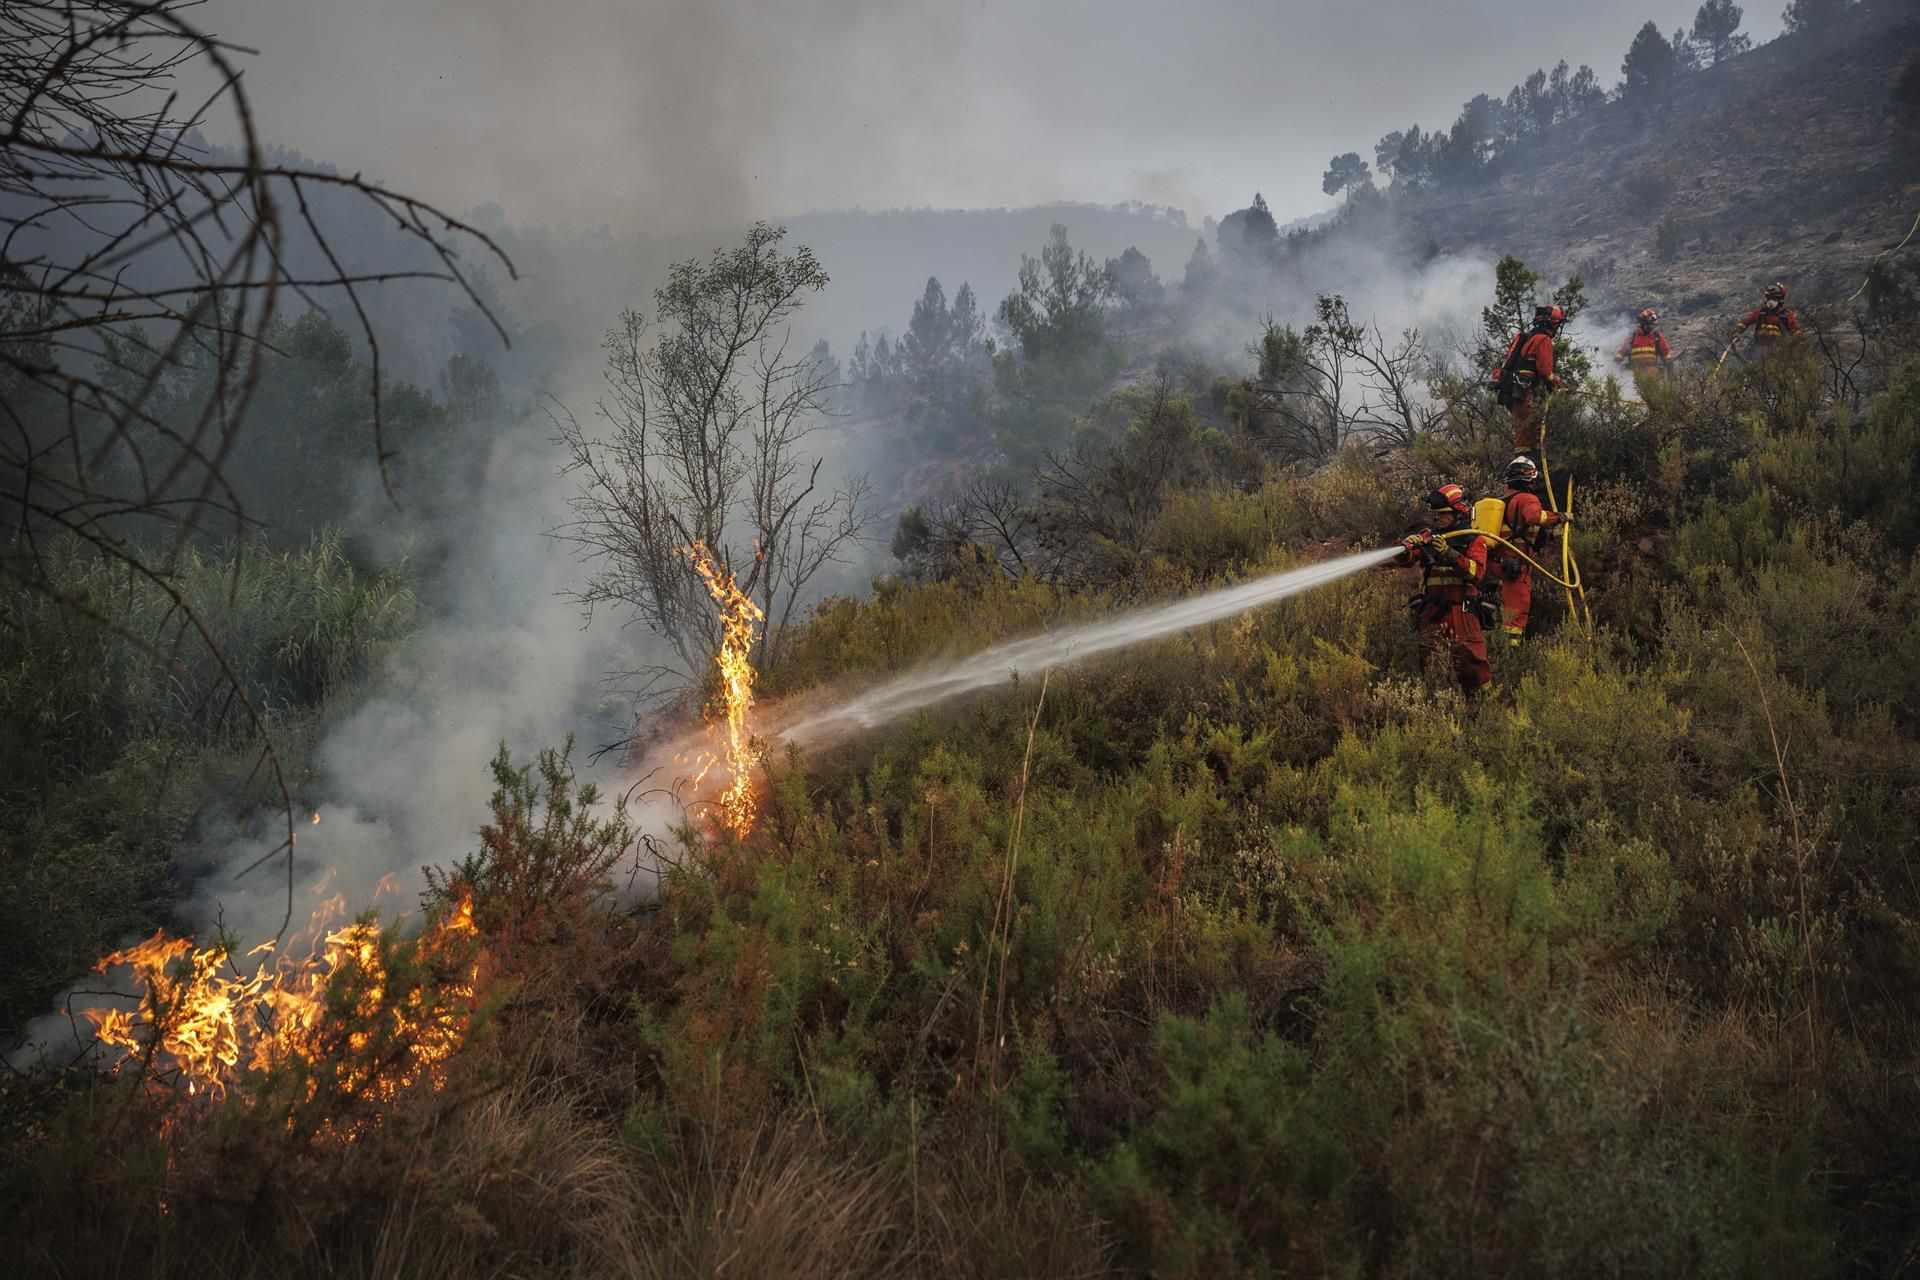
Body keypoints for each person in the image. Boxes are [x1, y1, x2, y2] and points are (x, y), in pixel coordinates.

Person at [1392, 483, 1493, 695]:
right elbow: (1408, 560)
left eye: (1443, 514)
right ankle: (1437, 705)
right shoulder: (1429, 536)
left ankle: (1483, 708)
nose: (1437, 518)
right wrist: (1405, 548)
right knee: (1429, 660)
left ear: (1458, 512)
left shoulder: (1473, 539)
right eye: (1435, 514)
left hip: (1462, 611)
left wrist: (1451, 554)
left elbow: (1477, 573)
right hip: (1433, 611)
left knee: (1471, 662)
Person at [1489, 455, 1568, 648]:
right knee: (1516, 611)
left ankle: (1498, 645)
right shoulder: (1527, 498)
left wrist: (1550, 536)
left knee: (1502, 608)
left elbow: (1519, 531)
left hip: (1497, 564)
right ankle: (1511, 652)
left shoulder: (1502, 502)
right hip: (1516, 565)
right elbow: (1535, 517)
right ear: (1530, 479)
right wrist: (1560, 517)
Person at [1492, 305, 1563, 455]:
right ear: (1552, 323)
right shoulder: (1543, 339)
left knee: (1530, 429)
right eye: (1557, 323)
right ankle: (1525, 464)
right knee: (1525, 433)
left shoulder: (1528, 337)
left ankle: (1531, 461)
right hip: (1523, 393)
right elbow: (1545, 370)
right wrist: (1556, 385)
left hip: (1513, 390)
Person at [1733, 281, 1799, 353]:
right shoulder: (1760, 312)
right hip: (1759, 347)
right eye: (1769, 298)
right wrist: (1737, 332)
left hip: (1779, 351)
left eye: (1774, 298)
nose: (1771, 301)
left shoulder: (1786, 315)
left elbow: (1796, 331)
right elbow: (1745, 322)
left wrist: (1799, 343)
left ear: (1780, 300)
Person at [1615, 308, 1674, 380]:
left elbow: (1667, 357)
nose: (1651, 327)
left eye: (1653, 325)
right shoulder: (1632, 338)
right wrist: (1616, 369)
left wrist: (1671, 377)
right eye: (1650, 325)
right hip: (1634, 380)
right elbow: (1620, 355)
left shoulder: (1657, 337)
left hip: (1653, 379)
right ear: (1642, 323)